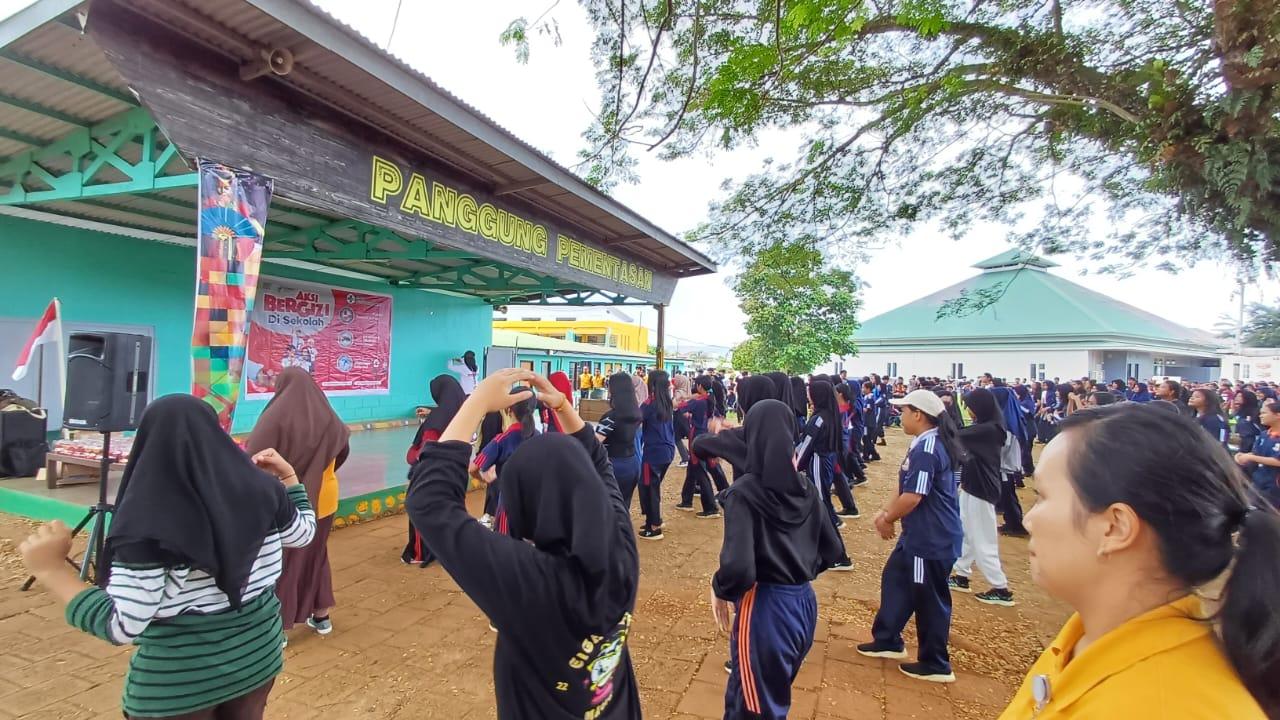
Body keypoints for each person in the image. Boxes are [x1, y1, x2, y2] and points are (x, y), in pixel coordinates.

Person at [18, 395, 317, 720]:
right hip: (258, 658)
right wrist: (289, 479)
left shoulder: (147, 524)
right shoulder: (263, 490)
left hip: (180, 687)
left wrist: (51, 570)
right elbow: (302, 534)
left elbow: (122, 625)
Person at [999, 404, 1279, 719]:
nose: (1028, 520)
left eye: (1043, 496)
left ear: (1116, 527)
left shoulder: (1170, 706)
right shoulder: (1093, 639)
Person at [406, 369, 641, 719]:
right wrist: (562, 406)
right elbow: (598, 462)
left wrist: (477, 402)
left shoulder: (531, 582)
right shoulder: (620, 548)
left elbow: (429, 502)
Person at [712, 400, 846, 719]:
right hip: (802, 605)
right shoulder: (806, 488)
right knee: (773, 697)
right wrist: (796, 566)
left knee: (752, 707)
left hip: (764, 607)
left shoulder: (743, 493)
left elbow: (738, 568)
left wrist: (720, 588)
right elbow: (833, 550)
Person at [858, 389, 968, 683]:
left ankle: (935, 662)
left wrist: (889, 518)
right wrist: (885, 513)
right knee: (895, 579)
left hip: (930, 539)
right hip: (917, 535)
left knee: (928, 598)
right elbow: (904, 484)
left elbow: (914, 496)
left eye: (904, 411)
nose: (900, 415)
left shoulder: (928, 448)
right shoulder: (922, 443)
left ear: (918, 414)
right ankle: (888, 638)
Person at [246, 368, 349, 635]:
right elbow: (342, 448)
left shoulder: (275, 416)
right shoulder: (328, 415)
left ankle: (279, 625)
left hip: (288, 500)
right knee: (316, 554)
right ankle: (322, 616)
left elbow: (254, 458)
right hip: (325, 498)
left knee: (284, 561)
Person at [948, 388, 1014, 606]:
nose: (969, 411)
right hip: (971, 485)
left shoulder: (989, 429)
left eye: (971, 407)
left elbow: (954, 435)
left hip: (982, 489)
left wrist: (943, 413)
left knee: (983, 538)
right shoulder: (985, 427)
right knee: (966, 531)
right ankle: (961, 574)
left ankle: (1000, 587)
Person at [402, 374, 466, 567]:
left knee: (423, 512)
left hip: (429, 475)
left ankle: (419, 553)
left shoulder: (437, 418)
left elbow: (425, 451)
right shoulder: (460, 415)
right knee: (448, 513)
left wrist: (411, 454)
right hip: (453, 473)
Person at [473, 391, 540, 533]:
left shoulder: (502, 440)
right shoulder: (541, 438)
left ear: (509, 409)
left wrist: (483, 478)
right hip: (536, 506)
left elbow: (473, 468)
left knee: (505, 548)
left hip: (508, 509)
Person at [797, 380, 860, 529]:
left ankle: (829, 523)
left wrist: (797, 464)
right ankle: (831, 520)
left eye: (809, 392)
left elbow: (807, 444)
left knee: (820, 494)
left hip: (820, 458)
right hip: (830, 458)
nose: (807, 395)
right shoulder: (832, 414)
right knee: (823, 492)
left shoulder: (818, 419)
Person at [676, 376, 724, 519]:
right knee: (694, 468)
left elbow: (680, 407)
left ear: (699, 386)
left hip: (697, 438)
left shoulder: (698, 401)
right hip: (707, 436)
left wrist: (686, 401)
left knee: (699, 470)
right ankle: (686, 500)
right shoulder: (710, 399)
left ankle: (710, 508)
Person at [638, 370, 676, 540]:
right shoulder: (666, 402)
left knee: (648, 488)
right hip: (667, 451)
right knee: (652, 486)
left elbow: (636, 419)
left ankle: (653, 527)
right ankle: (653, 520)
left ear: (651, 384)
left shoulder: (649, 404)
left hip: (653, 453)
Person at [597, 372, 644, 514]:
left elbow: (594, 442)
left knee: (608, 506)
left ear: (613, 389)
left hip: (614, 465)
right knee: (624, 505)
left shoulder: (611, 417)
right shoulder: (636, 413)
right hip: (632, 463)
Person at [1234, 398, 1280, 509]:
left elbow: (1278, 461)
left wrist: (1251, 457)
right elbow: (1256, 453)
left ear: (1278, 415)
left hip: (1274, 485)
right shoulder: (1264, 434)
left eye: (1264, 413)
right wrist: (1242, 456)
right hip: (1258, 481)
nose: (1260, 416)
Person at [1189, 387, 1230, 452]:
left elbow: (1216, 442)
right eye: (1192, 396)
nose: (1191, 398)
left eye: (1197, 397)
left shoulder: (1213, 419)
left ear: (1207, 401)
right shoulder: (1195, 416)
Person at [1233, 389, 1262, 459]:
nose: (1236, 398)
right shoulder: (1240, 411)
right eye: (1236, 396)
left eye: (1240, 396)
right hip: (1242, 441)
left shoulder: (1255, 412)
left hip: (1252, 444)